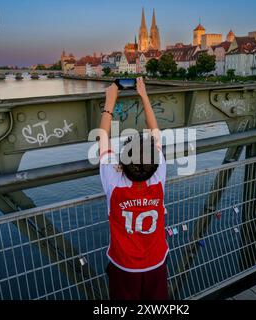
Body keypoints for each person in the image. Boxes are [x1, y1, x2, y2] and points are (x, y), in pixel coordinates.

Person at [98, 77, 169, 300]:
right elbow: (155, 131)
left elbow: (103, 139)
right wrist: (144, 95)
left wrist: (110, 102)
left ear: (122, 163)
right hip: (156, 262)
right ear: (155, 162)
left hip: (124, 266)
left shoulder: (115, 184)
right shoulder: (158, 178)